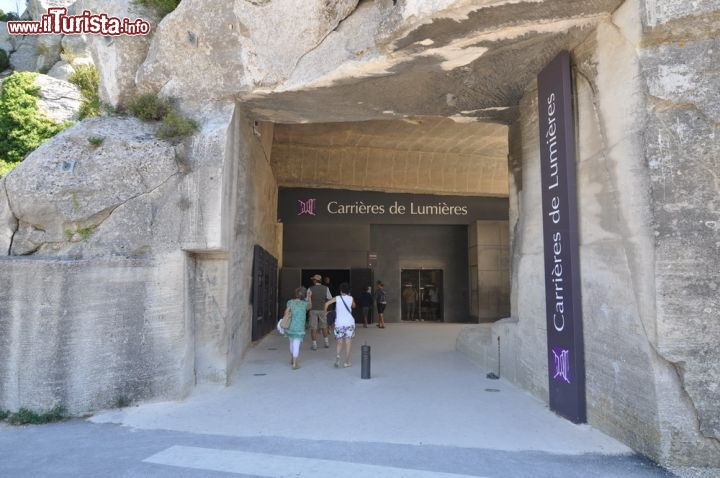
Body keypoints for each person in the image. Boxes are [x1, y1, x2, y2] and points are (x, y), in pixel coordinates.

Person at [325, 282, 356, 368]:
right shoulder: (351, 298)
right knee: (348, 342)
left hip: (339, 323)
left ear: (340, 290)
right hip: (349, 323)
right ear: (348, 290)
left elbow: (326, 304)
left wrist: (325, 314)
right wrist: (350, 299)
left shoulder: (337, 298)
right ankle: (346, 362)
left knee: (339, 342)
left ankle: (338, 356)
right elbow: (354, 306)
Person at [283, 286, 311, 370]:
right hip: (299, 327)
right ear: (304, 295)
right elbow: (310, 306)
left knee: (291, 342)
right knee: (296, 344)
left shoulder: (290, 302)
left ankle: (292, 359)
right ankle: (295, 363)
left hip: (290, 326)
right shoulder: (305, 304)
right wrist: (309, 297)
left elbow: (286, 312)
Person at [308, 274, 332, 350]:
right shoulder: (326, 288)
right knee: (324, 326)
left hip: (313, 309)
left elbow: (307, 300)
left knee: (313, 327)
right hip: (322, 309)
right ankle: (326, 342)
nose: (312, 281)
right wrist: (325, 305)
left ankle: (314, 344)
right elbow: (329, 298)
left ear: (315, 280)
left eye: (313, 279)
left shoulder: (310, 289)